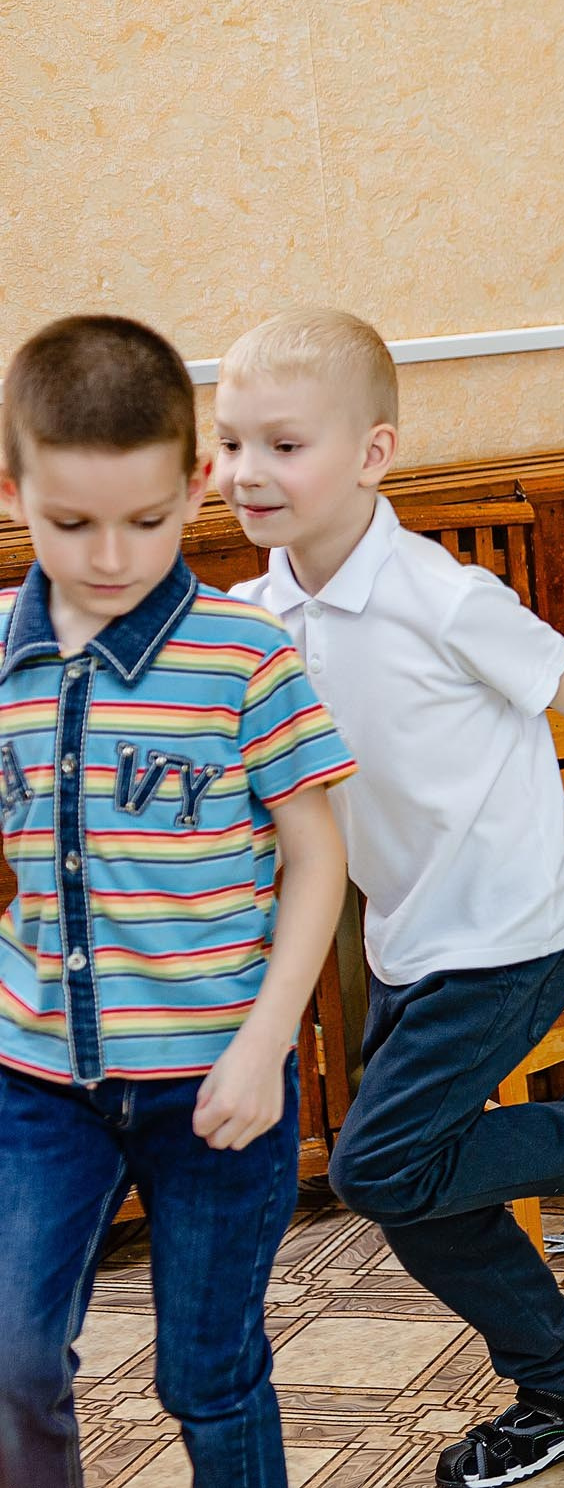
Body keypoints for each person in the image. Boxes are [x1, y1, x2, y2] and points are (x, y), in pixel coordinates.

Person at [215, 307, 564, 1487]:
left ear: (373, 452)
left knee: (375, 1164)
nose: (249, 472)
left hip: (517, 925)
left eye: (285, 444)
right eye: (232, 443)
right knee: (415, 1186)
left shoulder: (442, 596)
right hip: (415, 934)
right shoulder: (262, 616)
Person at [0, 318, 356, 1488]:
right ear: (16, 490)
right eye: (69, 522)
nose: (109, 554)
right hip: (37, 1079)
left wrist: (267, 1046)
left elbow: (319, 858)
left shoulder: (249, 658)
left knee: (207, 1368)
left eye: (147, 520)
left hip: (220, 1081)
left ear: (195, 482)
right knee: (9, 1353)